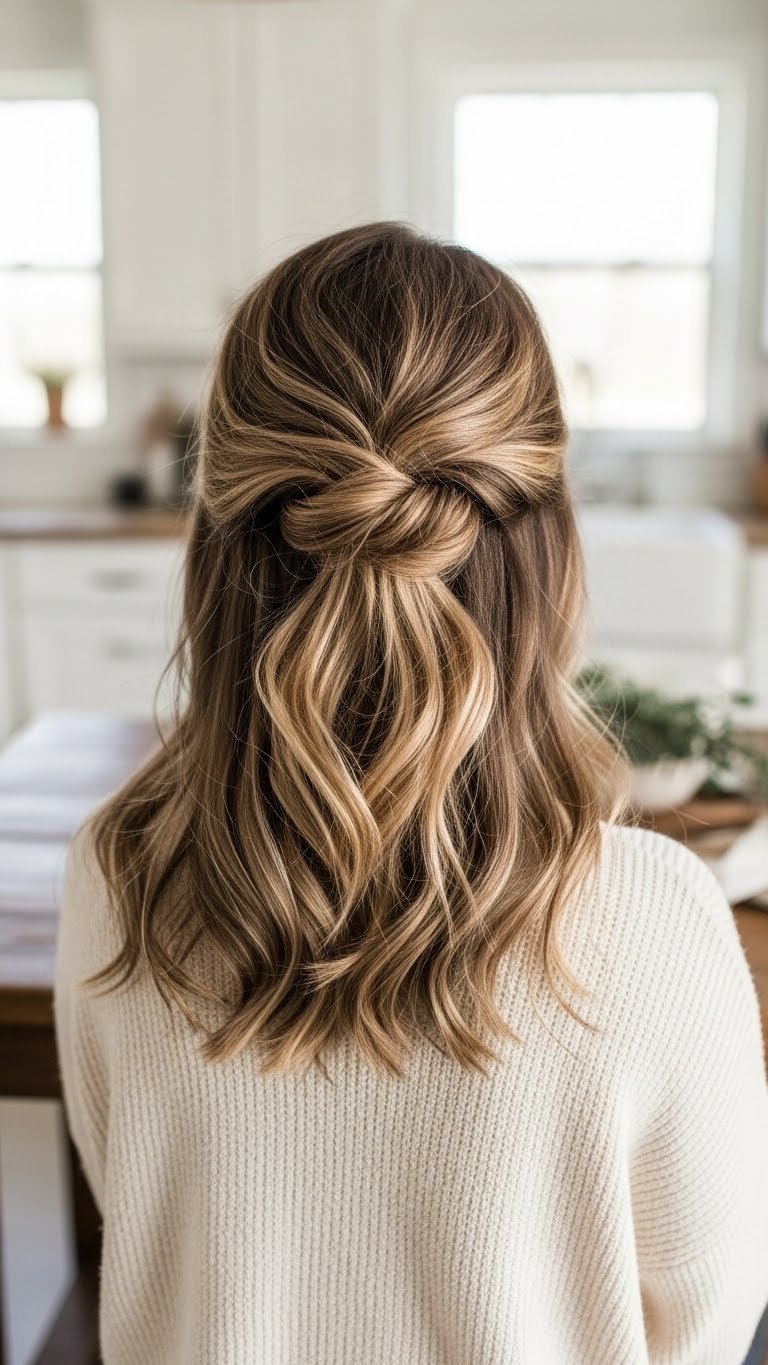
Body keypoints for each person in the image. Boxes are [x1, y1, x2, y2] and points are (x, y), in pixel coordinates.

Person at [54, 222, 768, 1365]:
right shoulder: (659, 918)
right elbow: (704, 1325)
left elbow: (127, 1204)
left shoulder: (118, 873)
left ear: (216, 536)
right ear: (549, 542)